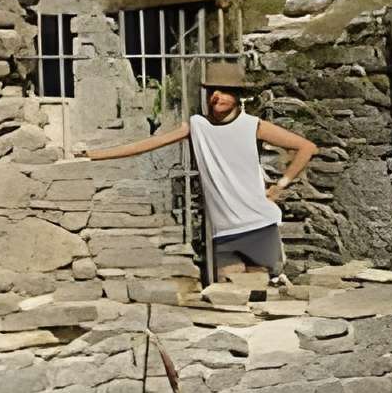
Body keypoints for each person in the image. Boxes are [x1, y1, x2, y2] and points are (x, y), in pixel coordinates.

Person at [83, 64, 316, 285]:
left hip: (259, 225)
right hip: (224, 231)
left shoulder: (253, 125)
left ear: (237, 96)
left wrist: (280, 185)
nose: (217, 95)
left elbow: (306, 147)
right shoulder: (197, 125)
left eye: (225, 91)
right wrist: (92, 155)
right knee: (228, 296)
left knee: (260, 293)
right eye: (213, 90)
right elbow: (150, 143)